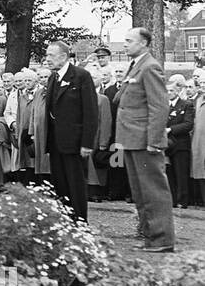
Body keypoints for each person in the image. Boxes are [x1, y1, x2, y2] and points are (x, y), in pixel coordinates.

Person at [114, 26, 174, 252]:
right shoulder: (136, 66)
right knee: (140, 192)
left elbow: (159, 106)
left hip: (144, 141)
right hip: (131, 139)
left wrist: (154, 141)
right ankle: (150, 237)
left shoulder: (149, 67)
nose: (125, 44)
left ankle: (162, 240)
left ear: (144, 43)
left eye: (130, 40)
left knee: (153, 191)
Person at [38, 38, 98, 222]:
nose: (47, 59)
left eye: (51, 55)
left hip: (75, 143)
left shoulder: (81, 76)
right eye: (47, 55)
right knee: (60, 185)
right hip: (56, 143)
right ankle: (65, 223)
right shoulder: (53, 78)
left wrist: (87, 143)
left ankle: (80, 224)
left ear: (64, 56)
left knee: (76, 185)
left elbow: (91, 112)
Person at [165, 75, 195, 210]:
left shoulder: (186, 105)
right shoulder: (165, 106)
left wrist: (170, 129)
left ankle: (183, 200)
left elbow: (188, 124)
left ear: (177, 91)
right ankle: (171, 199)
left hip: (181, 144)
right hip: (167, 145)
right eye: (167, 91)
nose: (169, 93)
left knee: (181, 173)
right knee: (169, 172)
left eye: (171, 91)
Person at [86, 69, 112, 202]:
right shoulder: (81, 96)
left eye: (94, 77)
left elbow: (106, 121)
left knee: (96, 166)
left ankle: (96, 192)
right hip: (83, 137)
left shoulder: (103, 99)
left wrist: (103, 142)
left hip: (96, 137)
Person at [190, 70, 205, 208]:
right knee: (199, 170)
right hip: (198, 140)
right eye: (201, 83)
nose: (203, 86)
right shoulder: (198, 100)